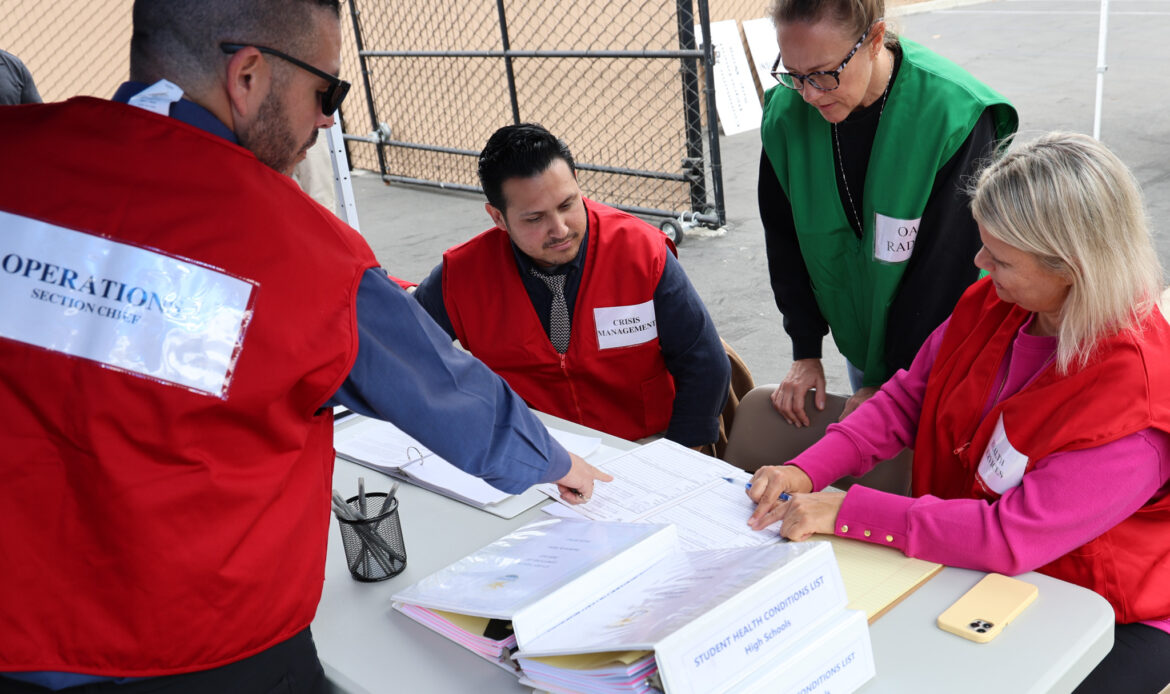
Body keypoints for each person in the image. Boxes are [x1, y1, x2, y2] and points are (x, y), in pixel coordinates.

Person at [0, 1, 609, 691]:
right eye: (327, 91)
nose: (327, 118)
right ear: (249, 76)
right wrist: (549, 457)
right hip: (204, 652)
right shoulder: (300, 247)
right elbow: (435, 384)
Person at [747, 133, 1170, 693]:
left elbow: (1013, 536)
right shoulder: (998, 301)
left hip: (1106, 608)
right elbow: (905, 399)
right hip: (968, 563)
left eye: (1000, 258)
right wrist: (808, 469)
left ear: (1069, 267)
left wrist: (847, 509)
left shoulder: (1135, 396)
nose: (979, 263)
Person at [758, 0, 1017, 427]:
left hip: (948, 341)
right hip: (863, 343)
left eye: (823, 74)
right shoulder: (787, 116)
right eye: (794, 74)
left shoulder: (951, 113)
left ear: (875, 40)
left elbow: (945, 268)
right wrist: (805, 350)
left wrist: (892, 382)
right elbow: (784, 240)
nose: (808, 94)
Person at [413, 123, 731, 449]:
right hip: (536, 457)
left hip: (647, 446)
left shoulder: (642, 252)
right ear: (498, 218)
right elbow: (401, 346)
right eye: (534, 219)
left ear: (577, 183)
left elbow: (705, 364)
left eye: (567, 204)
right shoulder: (464, 275)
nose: (560, 229)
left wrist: (675, 460)